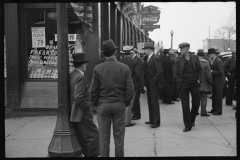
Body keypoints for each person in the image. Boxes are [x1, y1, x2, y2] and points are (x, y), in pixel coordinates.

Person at [90, 39, 133, 157]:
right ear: (115, 52)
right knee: (119, 138)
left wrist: (96, 103)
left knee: (103, 139)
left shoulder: (98, 68)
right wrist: (125, 102)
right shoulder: (124, 68)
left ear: (104, 54)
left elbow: (93, 90)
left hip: (103, 105)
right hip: (119, 104)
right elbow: (130, 89)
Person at [69, 53, 99, 157]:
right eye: (85, 64)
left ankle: (86, 153)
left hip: (75, 112)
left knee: (82, 136)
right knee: (93, 135)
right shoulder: (80, 77)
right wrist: (87, 107)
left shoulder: (72, 74)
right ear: (83, 65)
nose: (86, 66)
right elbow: (78, 96)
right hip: (81, 112)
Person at [173, 42, 202, 132]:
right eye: (180, 49)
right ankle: (187, 125)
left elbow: (200, 70)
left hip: (194, 83)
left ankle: (192, 119)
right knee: (185, 106)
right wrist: (180, 82)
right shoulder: (178, 60)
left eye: (182, 49)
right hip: (184, 84)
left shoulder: (195, 58)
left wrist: (199, 79)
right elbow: (175, 73)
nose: (180, 50)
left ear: (187, 49)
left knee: (196, 103)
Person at [143, 42, 165, 128]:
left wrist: (153, 81)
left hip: (153, 83)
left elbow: (160, 71)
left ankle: (156, 121)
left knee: (154, 102)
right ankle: (152, 119)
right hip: (149, 82)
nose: (144, 51)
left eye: (145, 49)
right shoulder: (148, 58)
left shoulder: (155, 58)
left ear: (149, 49)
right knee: (150, 101)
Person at [119, 46, 141, 127]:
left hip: (121, 85)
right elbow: (138, 74)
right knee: (130, 103)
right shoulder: (134, 62)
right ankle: (127, 122)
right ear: (130, 53)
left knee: (122, 102)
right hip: (132, 84)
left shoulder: (119, 61)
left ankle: (122, 120)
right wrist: (137, 82)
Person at [207, 48, 225, 115]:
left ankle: (218, 111)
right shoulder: (212, 60)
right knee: (214, 96)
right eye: (209, 54)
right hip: (215, 81)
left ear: (214, 54)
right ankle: (214, 109)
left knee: (218, 97)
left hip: (219, 82)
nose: (209, 55)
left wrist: (212, 71)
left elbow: (221, 72)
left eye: (210, 54)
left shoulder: (218, 61)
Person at [197, 50, 212, 117]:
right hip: (204, 83)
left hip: (195, 83)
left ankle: (195, 111)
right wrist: (210, 82)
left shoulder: (194, 62)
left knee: (196, 98)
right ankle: (203, 112)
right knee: (203, 98)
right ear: (203, 56)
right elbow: (208, 75)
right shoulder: (206, 63)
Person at [132, 47, 145, 120]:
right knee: (135, 99)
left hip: (137, 82)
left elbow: (139, 73)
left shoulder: (138, 60)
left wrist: (140, 84)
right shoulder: (136, 59)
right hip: (136, 82)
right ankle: (135, 113)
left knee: (136, 99)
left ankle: (137, 114)